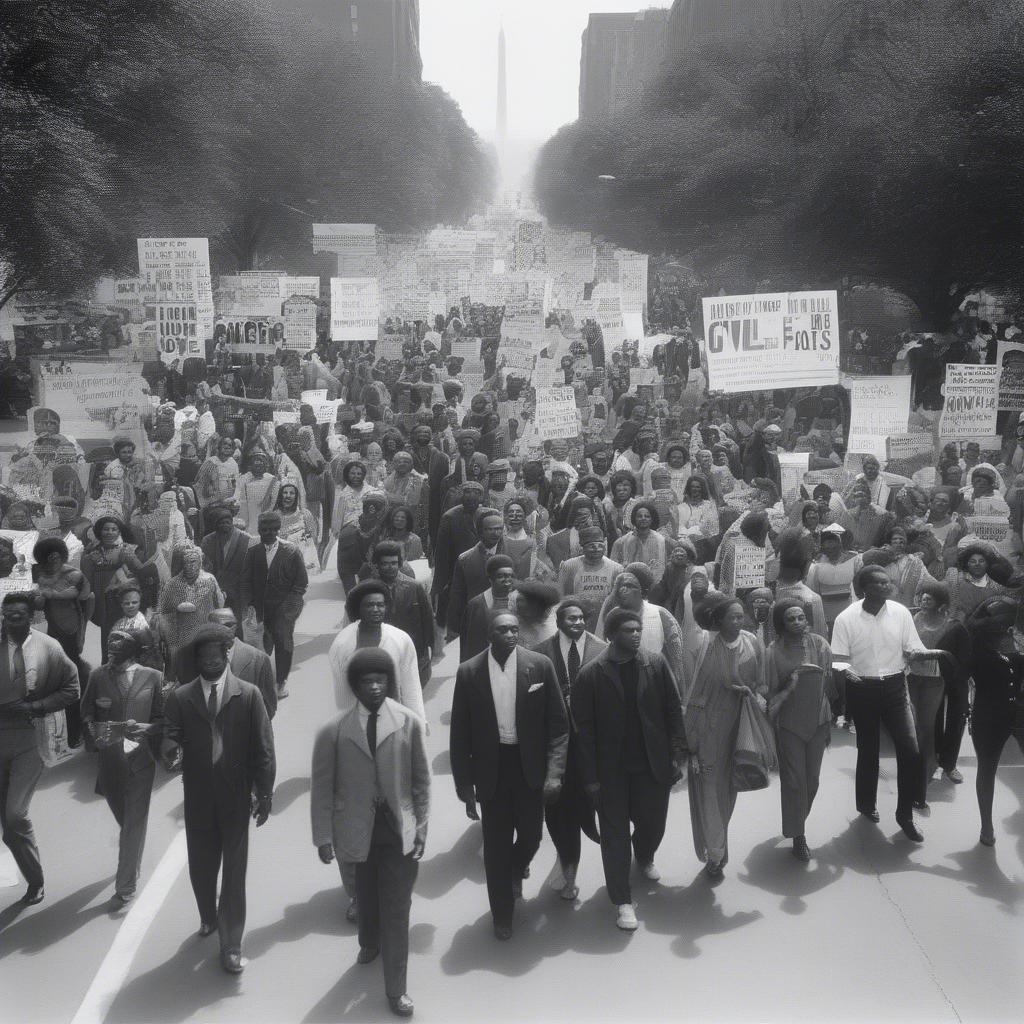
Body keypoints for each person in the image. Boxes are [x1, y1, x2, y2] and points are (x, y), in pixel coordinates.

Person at [312, 648, 428, 1018]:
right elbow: (322, 787)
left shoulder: (408, 722)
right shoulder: (334, 731)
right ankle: (368, 941)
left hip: (398, 832)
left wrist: (422, 826)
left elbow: (421, 780)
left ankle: (397, 990)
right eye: (367, 681)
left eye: (380, 680)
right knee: (364, 895)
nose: (375, 687)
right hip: (355, 832)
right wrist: (323, 837)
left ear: (389, 683)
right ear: (355, 687)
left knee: (397, 908)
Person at [161, 625, 275, 974]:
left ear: (227, 655)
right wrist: (170, 752)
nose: (210, 663)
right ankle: (208, 916)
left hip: (237, 797)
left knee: (234, 874)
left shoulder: (250, 695)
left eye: (216, 657)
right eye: (204, 659)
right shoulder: (181, 698)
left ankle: (231, 944)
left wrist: (265, 792)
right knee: (201, 867)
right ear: (196, 661)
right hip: (197, 799)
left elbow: (264, 749)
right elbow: (169, 737)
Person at [449, 611, 568, 939]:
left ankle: (516, 868)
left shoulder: (539, 666)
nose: (512, 635)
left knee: (532, 836)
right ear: (490, 635)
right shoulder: (469, 672)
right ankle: (502, 914)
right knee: (496, 846)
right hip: (491, 770)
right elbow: (459, 734)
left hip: (528, 767)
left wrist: (555, 772)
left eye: (515, 629)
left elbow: (558, 726)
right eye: (503, 630)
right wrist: (465, 787)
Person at [572, 607, 687, 929]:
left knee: (653, 825)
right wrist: (591, 779)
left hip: (651, 765)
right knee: (615, 837)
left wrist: (677, 753)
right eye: (628, 630)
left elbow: (672, 710)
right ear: (611, 635)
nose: (636, 634)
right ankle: (622, 900)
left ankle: (645, 854)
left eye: (638, 629)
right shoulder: (591, 674)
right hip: (611, 774)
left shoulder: (655, 663)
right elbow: (584, 731)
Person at [831, 565, 951, 841]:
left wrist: (926, 653)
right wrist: (847, 672)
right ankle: (866, 804)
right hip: (862, 689)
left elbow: (913, 646)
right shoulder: (846, 618)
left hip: (896, 687)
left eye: (888, 582)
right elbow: (838, 659)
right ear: (864, 589)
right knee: (869, 750)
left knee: (910, 751)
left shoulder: (900, 613)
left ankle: (904, 814)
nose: (887, 586)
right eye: (880, 583)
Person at [0, 591, 80, 905]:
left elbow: (71, 689)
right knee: (8, 826)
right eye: (7, 615)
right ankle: (31, 873)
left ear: (31, 616)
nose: (11, 620)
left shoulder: (49, 648)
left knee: (16, 815)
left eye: (18, 614)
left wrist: (38, 706)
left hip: (30, 739)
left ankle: (36, 881)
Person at [684, 596, 767, 879]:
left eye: (741, 615)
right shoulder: (704, 645)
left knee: (729, 789)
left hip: (741, 726)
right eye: (732, 617)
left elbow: (762, 684)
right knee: (709, 790)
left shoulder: (753, 642)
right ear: (718, 621)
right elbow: (692, 692)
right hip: (708, 728)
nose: (738, 621)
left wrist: (752, 695)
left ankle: (719, 844)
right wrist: (689, 739)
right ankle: (716, 853)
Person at [80, 628, 164, 904]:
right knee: (126, 821)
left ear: (133, 651)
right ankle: (133, 859)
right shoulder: (97, 676)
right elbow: (87, 712)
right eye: (109, 646)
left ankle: (125, 885)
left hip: (141, 761)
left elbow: (163, 719)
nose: (112, 651)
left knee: (133, 824)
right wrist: (96, 734)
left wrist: (148, 728)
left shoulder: (153, 677)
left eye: (119, 647)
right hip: (110, 763)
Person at [531, 600, 604, 901]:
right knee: (558, 808)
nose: (577, 622)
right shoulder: (539, 653)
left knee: (588, 804)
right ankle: (568, 865)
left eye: (581, 618)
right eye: (570, 618)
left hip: (592, 747)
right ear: (559, 621)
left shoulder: (602, 651)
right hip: (556, 746)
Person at [765, 599, 838, 861]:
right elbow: (769, 694)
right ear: (781, 624)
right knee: (794, 782)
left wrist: (830, 721)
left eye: (800, 618)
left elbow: (829, 683)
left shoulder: (820, 644)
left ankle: (796, 821)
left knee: (813, 781)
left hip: (818, 721)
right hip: (789, 724)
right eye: (790, 619)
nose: (797, 622)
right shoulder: (773, 652)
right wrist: (790, 683)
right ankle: (799, 836)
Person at [965, 597, 1024, 847]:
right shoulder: (975, 651)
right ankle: (986, 825)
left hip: (1019, 715)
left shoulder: (1016, 645)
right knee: (987, 770)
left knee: (987, 770)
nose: (1005, 629)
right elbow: (958, 678)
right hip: (987, 717)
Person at [909, 581, 971, 808]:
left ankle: (950, 764)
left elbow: (965, 658)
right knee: (929, 724)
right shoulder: (914, 620)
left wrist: (958, 680)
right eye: (922, 597)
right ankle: (931, 764)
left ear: (941, 604)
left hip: (952, 680)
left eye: (929, 599)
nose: (924, 601)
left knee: (955, 721)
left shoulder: (954, 626)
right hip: (924, 679)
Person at [238, 510, 308, 694]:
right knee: (262, 644)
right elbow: (245, 581)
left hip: (285, 607)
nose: (268, 533)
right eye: (264, 529)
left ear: (278, 530)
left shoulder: (291, 551)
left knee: (283, 641)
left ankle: (281, 681)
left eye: (272, 529)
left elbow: (301, 583)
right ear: (259, 530)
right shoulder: (253, 552)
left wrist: (289, 607)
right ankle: (261, 679)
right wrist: (248, 606)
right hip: (261, 607)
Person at [33, 536, 92, 747]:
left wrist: (82, 632)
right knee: (60, 677)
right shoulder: (41, 577)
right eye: (50, 557)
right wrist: (39, 598)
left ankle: (79, 729)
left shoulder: (73, 574)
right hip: (54, 631)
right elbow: (40, 606)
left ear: (62, 555)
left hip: (72, 629)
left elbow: (86, 598)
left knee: (72, 677)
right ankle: (70, 731)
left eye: (57, 556)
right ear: (44, 558)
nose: (54, 560)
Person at [365, 542, 434, 685]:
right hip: (381, 655)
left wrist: (429, 653)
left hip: (411, 653)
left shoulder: (415, 587)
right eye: (385, 564)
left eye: (394, 563)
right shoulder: (367, 589)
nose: (390, 567)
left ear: (400, 563)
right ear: (377, 564)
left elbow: (427, 621)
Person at [81, 516, 145, 662]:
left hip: (121, 599)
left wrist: (125, 578)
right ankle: (108, 667)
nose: (110, 533)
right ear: (99, 532)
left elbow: (141, 571)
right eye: (106, 529)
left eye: (113, 529)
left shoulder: (126, 550)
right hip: (101, 603)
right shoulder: (92, 553)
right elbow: (86, 580)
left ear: (118, 532)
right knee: (107, 636)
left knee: (126, 633)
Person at [158, 545, 225, 681]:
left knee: (207, 668)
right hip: (182, 635)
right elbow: (163, 611)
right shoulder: (173, 584)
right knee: (185, 672)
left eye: (193, 561)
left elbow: (220, 604)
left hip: (205, 631)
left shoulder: (209, 580)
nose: (190, 565)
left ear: (200, 562)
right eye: (186, 562)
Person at [445, 509, 505, 642]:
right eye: (490, 529)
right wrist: (453, 630)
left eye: (499, 529)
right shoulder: (465, 559)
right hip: (477, 622)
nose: (495, 533)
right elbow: (457, 595)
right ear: (480, 531)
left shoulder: (513, 554)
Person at [431, 482, 483, 627]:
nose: (471, 497)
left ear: (481, 497)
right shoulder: (450, 517)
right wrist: (441, 582)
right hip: (455, 569)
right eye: (467, 493)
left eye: (476, 494)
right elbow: (442, 553)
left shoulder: (486, 514)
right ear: (462, 496)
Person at [557, 527, 623, 634]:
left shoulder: (616, 568)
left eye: (600, 546)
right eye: (592, 546)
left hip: (603, 618)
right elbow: (560, 595)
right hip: (577, 618)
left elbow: (617, 600)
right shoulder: (569, 566)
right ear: (583, 548)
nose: (597, 549)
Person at [200, 506, 253, 620]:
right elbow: (204, 567)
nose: (224, 525)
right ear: (215, 525)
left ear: (232, 522)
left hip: (239, 590)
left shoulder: (246, 539)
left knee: (238, 624)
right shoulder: (207, 541)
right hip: (215, 589)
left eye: (227, 522)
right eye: (221, 523)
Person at [461, 555, 516, 663]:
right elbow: (468, 645)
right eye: (501, 576)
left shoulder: (519, 601)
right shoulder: (476, 605)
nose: (507, 580)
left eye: (510, 576)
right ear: (490, 579)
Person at [805, 525, 860, 633]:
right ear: (823, 549)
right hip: (827, 618)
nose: (831, 551)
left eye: (834, 548)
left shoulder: (855, 560)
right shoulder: (816, 566)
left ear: (840, 546)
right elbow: (813, 594)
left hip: (850, 614)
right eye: (827, 549)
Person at [610, 501, 676, 582]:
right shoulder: (621, 542)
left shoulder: (662, 540)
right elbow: (613, 567)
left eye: (647, 516)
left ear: (652, 519)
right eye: (639, 516)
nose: (643, 518)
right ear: (634, 518)